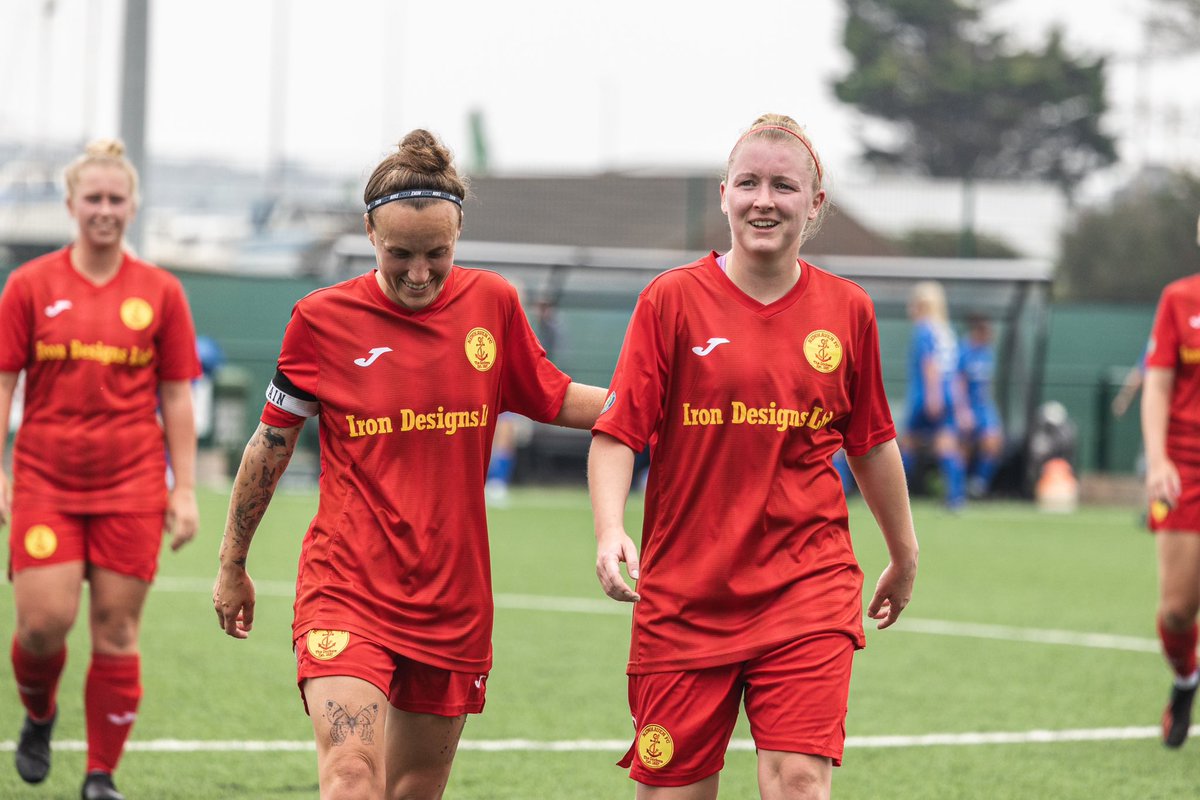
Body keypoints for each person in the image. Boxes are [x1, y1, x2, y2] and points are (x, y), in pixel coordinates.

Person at [212, 129, 606, 799]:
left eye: (437, 254)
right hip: (347, 589)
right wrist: (232, 563)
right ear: (369, 232)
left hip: (452, 605)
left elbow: (556, 396)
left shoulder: (494, 306)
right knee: (352, 774)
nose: (419, 273)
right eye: (400, 254)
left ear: (458, 236)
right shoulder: (321, 321)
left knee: (411, 790)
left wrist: (666, 406)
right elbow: (268, 449)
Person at [588, 114, 919, 799]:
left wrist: (904, 554)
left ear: (815, 203)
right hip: (684, 596)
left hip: (807, 588)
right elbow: (619, 431)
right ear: (723, 195)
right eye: (748, 183)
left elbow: (872, 444)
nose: (763, 199)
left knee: (799, 781)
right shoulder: (671, 300)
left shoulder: (848, 310)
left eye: (783, 185)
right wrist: (610, 529)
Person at [0, 139, 201, 800]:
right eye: (94, 198)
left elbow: (175, 396)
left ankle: (100, 776)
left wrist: (186, 490)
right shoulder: (29, 285)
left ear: (133, 207)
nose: (105, 210)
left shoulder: (161, 292)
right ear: (71, 204)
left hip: (133, 486)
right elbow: (4, 383)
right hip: (45, 484)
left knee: (116, 630)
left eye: (117, 199)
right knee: (40, 625)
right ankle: (39, 714)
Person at [1143, 216, 1200, 749]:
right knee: (1179, 609)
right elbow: (1158, 386)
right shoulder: (1179, 300)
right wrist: (1158, 460)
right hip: (1187, 467)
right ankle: (1187, 679)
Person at [900, 281, 968, 510]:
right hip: (948, 395)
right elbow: (956, 372)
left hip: (927, 395)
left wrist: (933, 396)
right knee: (946, 444)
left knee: (905, 443)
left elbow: (930, 365)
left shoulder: (924, 329)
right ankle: (956, 498)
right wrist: (959, 406)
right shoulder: (946, 331)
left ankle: (898, 496)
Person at [957, 314, 1004, 498]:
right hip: (967, 405)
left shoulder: (988, 352)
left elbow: (987, 383)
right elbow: (958, 382)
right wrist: (962, 410)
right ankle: (958, 489)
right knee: (964, 447)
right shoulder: (964, 350)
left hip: (984, 406)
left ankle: (979, 484)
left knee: (993, 442)